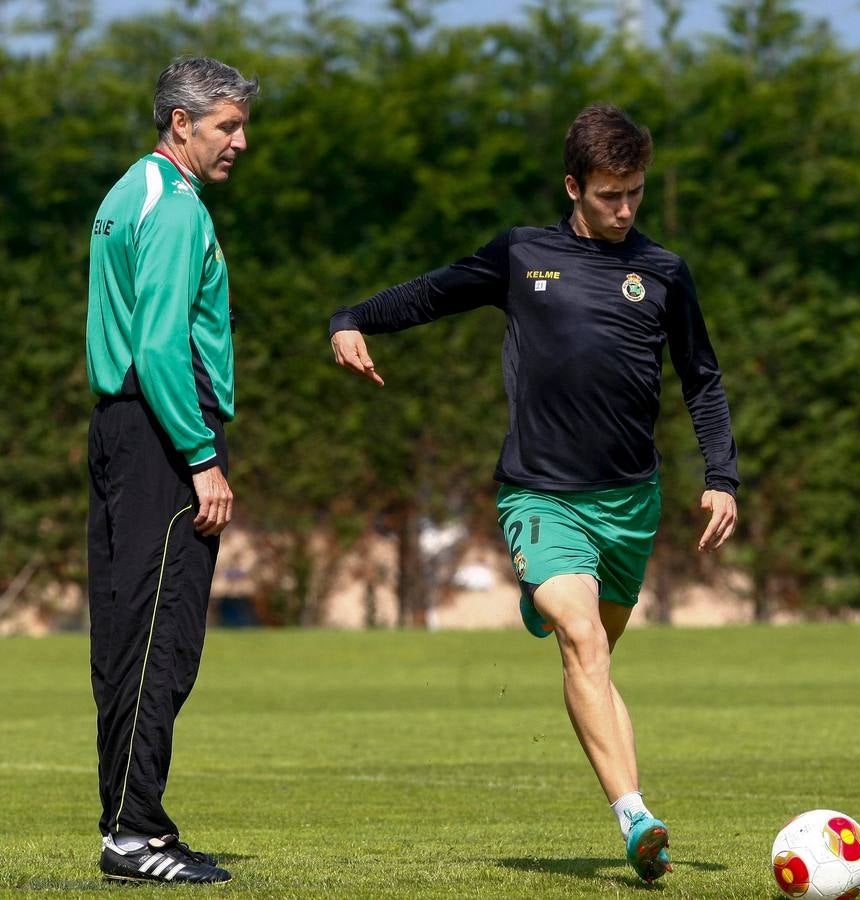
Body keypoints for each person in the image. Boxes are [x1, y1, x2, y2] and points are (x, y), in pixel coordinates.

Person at [329, 103, 739, 884]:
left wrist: (722, 478)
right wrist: (354, 318)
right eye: (610, 195)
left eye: (636, 194)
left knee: (595, 661)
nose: (625, 211)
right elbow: (433, 292)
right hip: (539, 495)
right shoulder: (522, 254)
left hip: (629, 505)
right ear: (573, 186)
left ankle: (552, 611)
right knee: (582, 642)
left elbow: (704, 381)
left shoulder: (663, 272)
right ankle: (636, 818)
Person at [85, 56, 258, 885]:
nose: (241, 142)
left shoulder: (124, 193)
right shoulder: (179, 207)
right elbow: (159, 346)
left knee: (124, 641)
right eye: (227, 125)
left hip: (119, 429)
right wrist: (201, 458)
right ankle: (136, 834)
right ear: (181, 123)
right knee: (164, 643)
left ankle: (131, 824)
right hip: (165, 434)